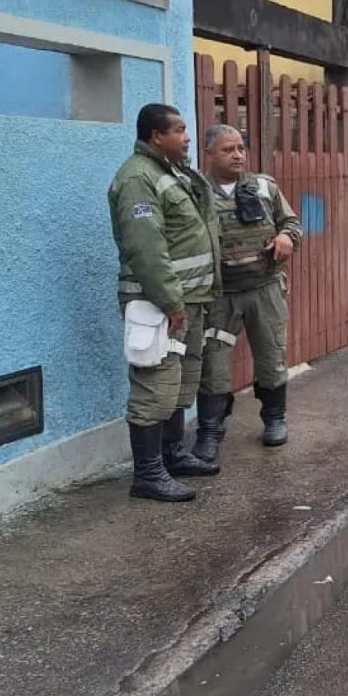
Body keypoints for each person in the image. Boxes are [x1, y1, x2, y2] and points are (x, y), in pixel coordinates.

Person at [108, 104, 222, 502]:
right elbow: (146, 248)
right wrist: (172, 301)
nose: (187, 137)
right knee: (155, 385)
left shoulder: (170, 172)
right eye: (180, 130)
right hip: (158, 304)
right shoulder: (138, 178)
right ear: (156, 136)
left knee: (179, 384)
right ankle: (148, 474)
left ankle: (173, 455)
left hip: (188, 302)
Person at [192, 125, 303, 462]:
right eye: (228, 149)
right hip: (219, 295)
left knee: (272, 357)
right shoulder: (196, 192)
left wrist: (286, 237)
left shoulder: (264, 187)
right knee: (213, 365)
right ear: (209, 154)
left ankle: (274, 420)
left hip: (264, 289)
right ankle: (210, 430)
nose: (238, 155)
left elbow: (293, 223)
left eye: (241, 148)